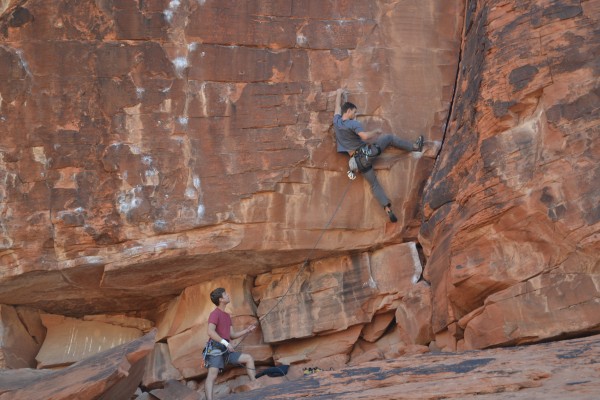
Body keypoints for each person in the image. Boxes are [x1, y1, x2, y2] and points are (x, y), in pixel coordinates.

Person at [333, 88, 424, 222]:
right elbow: (364, 136)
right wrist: (375, 131)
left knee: (374, 184)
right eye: (354, 112)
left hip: (357, 163)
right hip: (367, 154)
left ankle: (387, 209)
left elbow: (336, 108)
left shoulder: (337, 122)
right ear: (349, 111)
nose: (355, 114)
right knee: (388, 139)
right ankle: (415, 147)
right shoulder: (353, 123)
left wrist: (339, 94)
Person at [204, 287, 257, 400]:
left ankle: (256, 387)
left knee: (248, 358)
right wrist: (225, 343)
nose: (228, 295)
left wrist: (247, 330)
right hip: (215, 349)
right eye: (225, 294)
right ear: (221, 299)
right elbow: (210, 332)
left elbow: (232, 335)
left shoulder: (227, 316)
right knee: (212, 375)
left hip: (226, 350)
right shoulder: (215, 314)